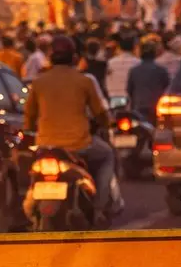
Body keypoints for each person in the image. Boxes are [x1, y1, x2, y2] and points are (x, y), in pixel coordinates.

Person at [24, 36, 116, 225]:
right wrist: (107, 124)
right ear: (74, 58)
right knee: (107, 155)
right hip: (79, 145)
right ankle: (99, 208)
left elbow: (29, 117)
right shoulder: (84, 81)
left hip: (46, 145)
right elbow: (100, 113)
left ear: (50, 57)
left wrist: (33, 131)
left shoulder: (39, 82)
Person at [126, 35, 171, 121]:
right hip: (156, 105)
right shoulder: (161, 70)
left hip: (139, 105)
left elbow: (129, 89)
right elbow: (167, 87)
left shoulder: (134, 70)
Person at [105, 35, 140, 105]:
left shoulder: (111, 62)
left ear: (120, 48)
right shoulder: (138, 62)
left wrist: (110, 93)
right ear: (133, 48)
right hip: (132, 96)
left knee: (118, 111)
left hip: (116, 95)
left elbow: (108, 79)